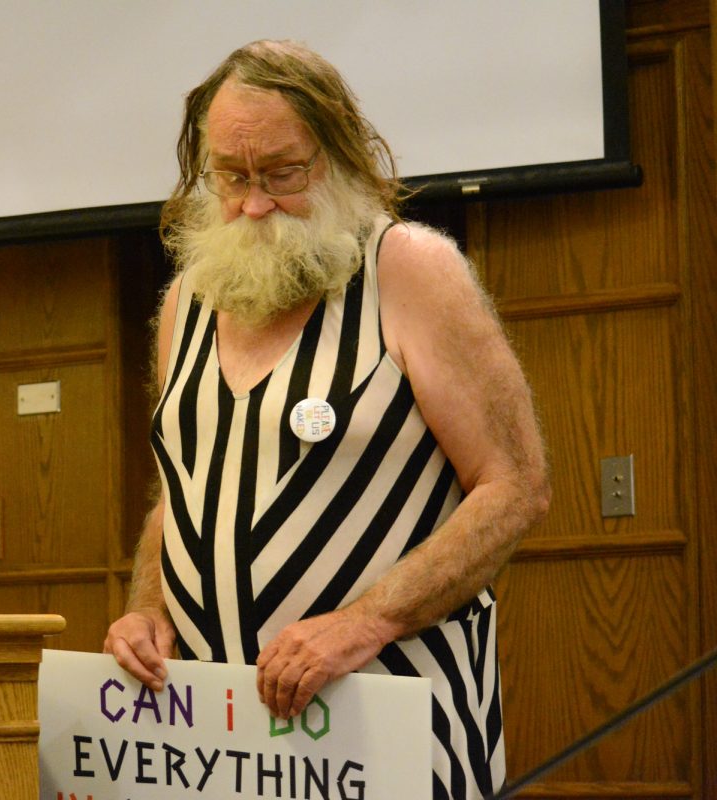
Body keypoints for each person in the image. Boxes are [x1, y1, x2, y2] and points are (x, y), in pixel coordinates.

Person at [103, 40, 550, 800]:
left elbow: (516, 487)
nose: (253, 203)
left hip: (397, 732)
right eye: (231, 176)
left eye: (282, 173)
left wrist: (366, 621)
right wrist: (147, 609)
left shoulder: (408, 270)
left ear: (339, 154)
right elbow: (181, 499)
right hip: (225, 747)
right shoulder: (187, 303)